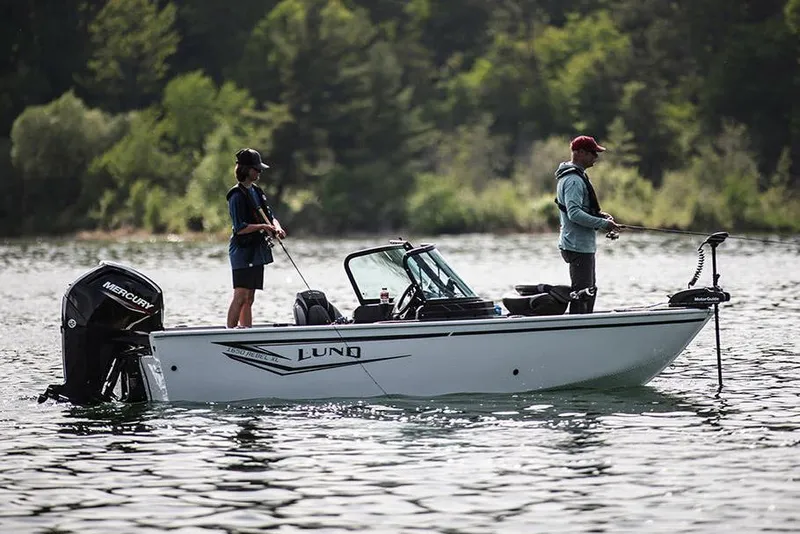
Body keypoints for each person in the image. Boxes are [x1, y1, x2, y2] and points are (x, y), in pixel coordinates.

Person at [554, 135, 620, 314]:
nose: (595, 157)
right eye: (593, 153)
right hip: (577, 246)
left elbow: (578, 209)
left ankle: (581, 326)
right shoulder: (573, 180)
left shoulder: (576, 176)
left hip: (579, 244)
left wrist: (601, 216)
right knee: (583, 293)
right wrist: (603, 224)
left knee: (587, 291)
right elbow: (574, 214)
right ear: (580, 153)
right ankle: (578, 331)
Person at [226, 148, 286, 328]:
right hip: (242, 252)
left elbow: (270, 215)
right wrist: (263, 227)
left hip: (256, 251)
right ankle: (229, 332)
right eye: (256, 169)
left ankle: (246, 331)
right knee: (241, 295)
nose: (259, 172)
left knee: (250, 297)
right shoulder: (236, 195)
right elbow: (240, 228)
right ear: (245, 169)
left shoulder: (257, 192)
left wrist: (277, 227)